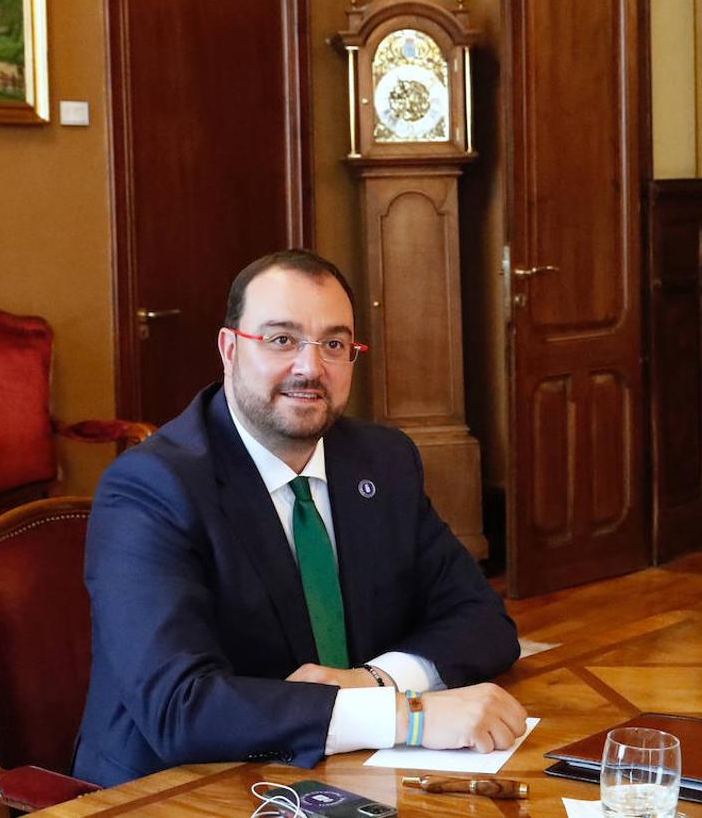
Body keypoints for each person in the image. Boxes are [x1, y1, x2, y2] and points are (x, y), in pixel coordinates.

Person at [74, 250, 526, 786]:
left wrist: (377, 681)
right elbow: (181, 707)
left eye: (334, 344)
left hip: (342, 776)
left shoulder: (382, 460)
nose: (311, 368)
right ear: (228, 349)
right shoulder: (151, 488)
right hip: (175, 787)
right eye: (281, 340)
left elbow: (483, 621)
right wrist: (407, 716)